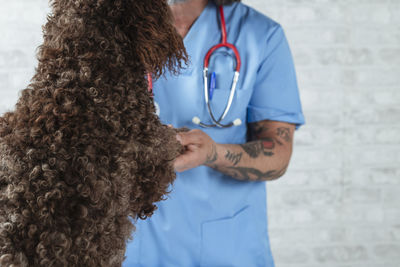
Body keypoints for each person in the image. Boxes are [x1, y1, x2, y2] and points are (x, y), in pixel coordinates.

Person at [124, 0, 305, 266]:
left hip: (225, 247)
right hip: (134, 245)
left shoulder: (260, 36)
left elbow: (278, 153)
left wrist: (213, 154)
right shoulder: (112, 29)